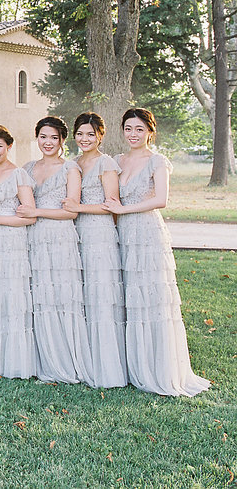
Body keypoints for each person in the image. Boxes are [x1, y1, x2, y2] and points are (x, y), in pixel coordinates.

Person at [106, 108, 210, 396]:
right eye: (128, 128)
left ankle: (158, 367)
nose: (133, 134)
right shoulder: (117, 161)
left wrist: (123, 209)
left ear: (150, 131)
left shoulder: (158, 161)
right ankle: (130, 365)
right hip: (124, 233)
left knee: (151, 297)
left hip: (148, 233)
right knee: (128, 297)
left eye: (139, 129)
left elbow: (161, 199)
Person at [21, 116, 93, 385]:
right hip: (34, 236)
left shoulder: (70, 169)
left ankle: (66, 362)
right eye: (43, 136)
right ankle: (43, 360)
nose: (47, 142)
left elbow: (70, 211)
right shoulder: (28, 168)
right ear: (36, 138)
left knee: (61, 295)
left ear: (63, 140)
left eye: (53, 137)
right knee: (41, 295)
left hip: (60, 236)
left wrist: (36, 211)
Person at [67, 112, 127, 388]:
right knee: (83, 293)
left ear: (100, 136)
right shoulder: (74, 163)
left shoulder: (106, 163)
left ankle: (108, 365)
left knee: (101, 293)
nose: (84, 139)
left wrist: (77, 208)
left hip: (99, 232)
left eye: (90, 134)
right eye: (80, 133)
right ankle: (84, 357)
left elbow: (111, 203)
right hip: (76, 232)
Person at [0, 124, 38, 380]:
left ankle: (15, 362)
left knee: (12, 296)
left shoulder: (19, 174)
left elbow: (29, 216)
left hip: (12, 240)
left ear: (9, 146)